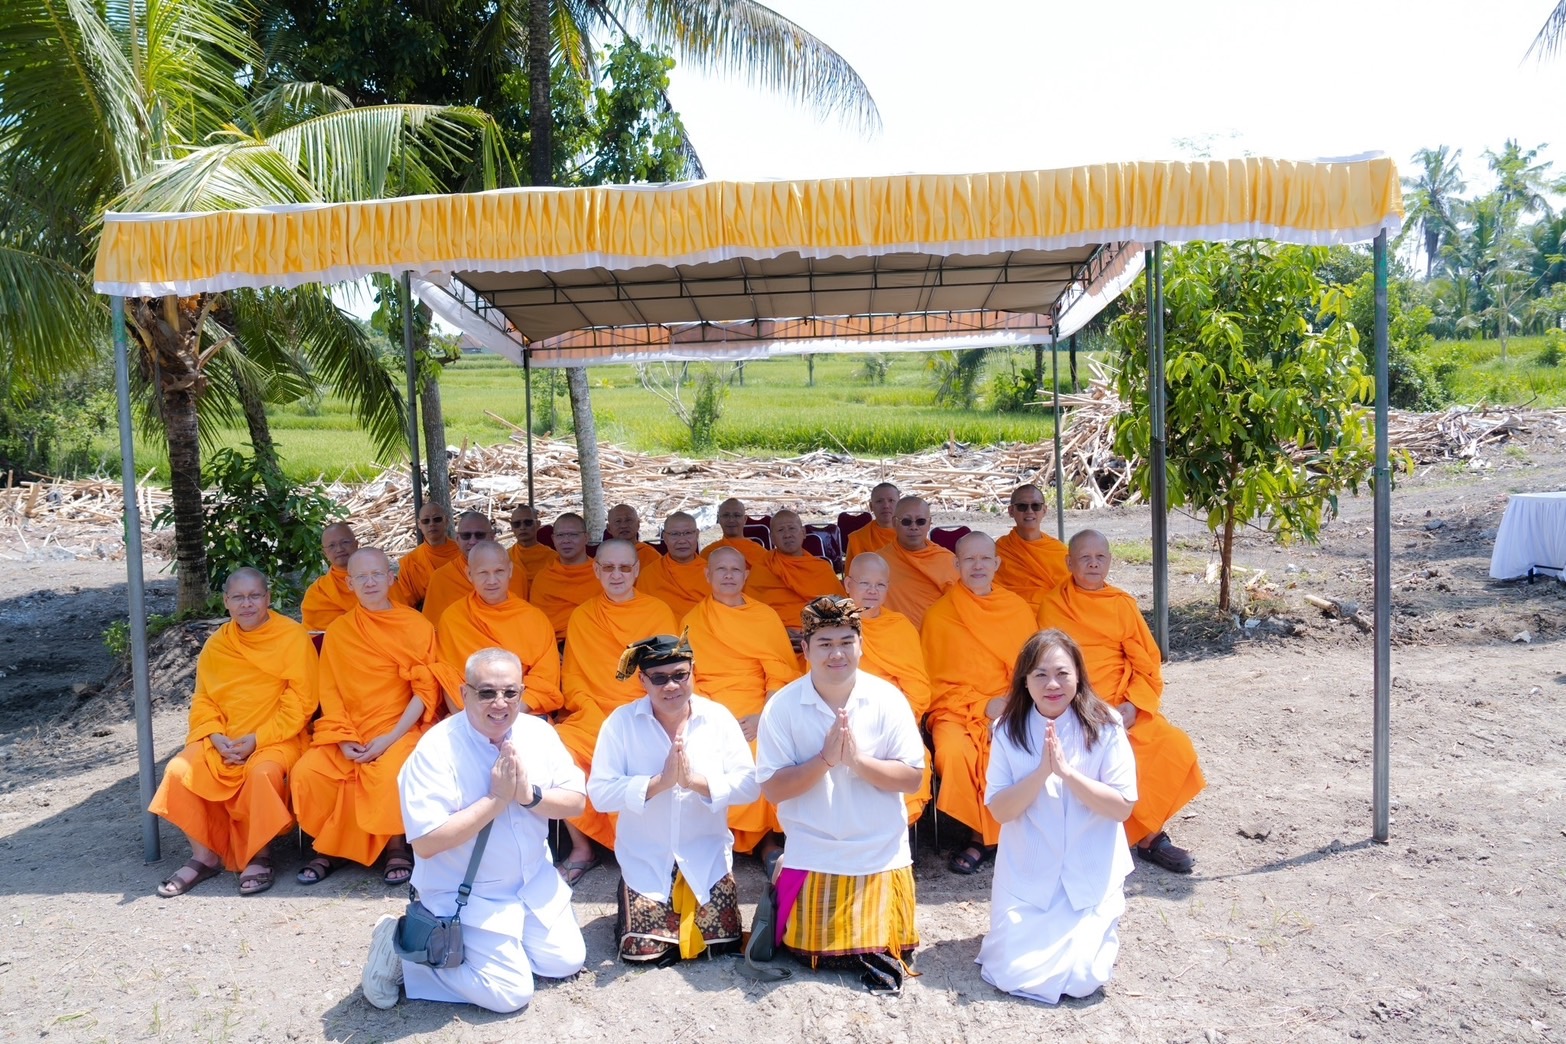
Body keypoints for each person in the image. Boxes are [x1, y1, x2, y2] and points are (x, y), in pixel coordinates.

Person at [362, 648, 587, 1012]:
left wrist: (527, 796)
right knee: (511, 994)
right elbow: (426, 841)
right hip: (466, 896)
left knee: (564, 963)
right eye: (487, 692)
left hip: (533, 884)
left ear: (521, 692)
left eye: (510, 692)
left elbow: (576, 801)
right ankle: (403, 955)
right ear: (465, 694)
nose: (500, 703)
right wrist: (495, 801)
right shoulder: (435, 750)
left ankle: (494, 953)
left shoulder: (539, 734)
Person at [756, 596, 924, 992]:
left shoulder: (888, 699)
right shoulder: (782, 707)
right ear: (806, 650)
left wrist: (858, 762)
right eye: (825, 644)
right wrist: (825, 761)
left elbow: (912, 778)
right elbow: (774, 788)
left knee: (881, 947)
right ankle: (785, 867)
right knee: (806, 947)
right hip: (814, 846)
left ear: (861, 644)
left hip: (879, 849)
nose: (837, 654)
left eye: (846, 642)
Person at [976, 629, 1137, 1004]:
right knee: (1010, 970)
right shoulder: (1007, 729)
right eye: (1040, 675)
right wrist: (1041, 774)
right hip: (1028, 872)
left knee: (1082, 977)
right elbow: (1000, 809)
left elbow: (1122, 807)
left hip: (1089, 871)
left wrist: (1068, 774)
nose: (1052, 684)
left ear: (1078, 675)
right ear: (1025, 681)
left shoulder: (1107, 724)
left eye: (1063, 674)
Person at [436, 540, 613, 870]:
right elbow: (448, 677)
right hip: (470, 716)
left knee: (557, 753)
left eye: (499, 571)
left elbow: (546, 680)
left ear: (511, 572)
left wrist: (507, 714)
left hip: (524, 713)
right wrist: (476, 718)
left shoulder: (533, 619)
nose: (492, 580)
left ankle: (580, 848)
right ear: (468, 574)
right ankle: (464, 849)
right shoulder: (453, 618)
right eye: (483, 573)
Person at [291, 548, 462, 887]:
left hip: (403, 726)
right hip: (349, 728)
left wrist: (389, 738)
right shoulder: (339, 631)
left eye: (376, 575)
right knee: (308, 773)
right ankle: (329, 847)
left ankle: (395, 846)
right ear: (350, 584)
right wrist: (342, 739)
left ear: (390, 579)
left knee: (392, 772)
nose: (370, 583)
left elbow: (425, 690)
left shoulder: (415, 624)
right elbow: (331, 691)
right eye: (361, 577)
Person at [1037, 530, 1204, 873]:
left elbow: (1147, 662)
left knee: (1172, 746)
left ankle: (1146, 834)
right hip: (1073, 704)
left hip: (1121, 703)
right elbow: (1047, 665)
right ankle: (1143, 838)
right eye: (1085, 558)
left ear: (1110, 561)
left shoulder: (1122, 604)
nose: (1094, 564)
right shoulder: (1052, 604)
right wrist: (1079, 706)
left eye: (1101, 557)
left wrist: (1133, 705)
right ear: (1069, 563)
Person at [588, 634, 760, 963]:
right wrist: (658, 783)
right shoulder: (620, 724)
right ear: (642, 680)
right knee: (645, 952)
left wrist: (695, 782)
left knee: (720, 945)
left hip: (705, 858)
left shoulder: (718, 718)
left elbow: (749, 786)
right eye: (659, 678)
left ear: (693, 671)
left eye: (680, 675)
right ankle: (634, 909)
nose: (671, 686)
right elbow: (599, 794)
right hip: (646, 859)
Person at [150, 568, 317, 897]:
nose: (247, 604)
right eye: (238, 597)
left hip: (278, 737)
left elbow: (302, 701)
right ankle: (205, 856)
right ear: (226, 602)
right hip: (223, 739)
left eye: (255, 596)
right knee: (178, 770)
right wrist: (213, 736)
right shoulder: (217, 644)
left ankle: (259, 854)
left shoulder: (291, 636)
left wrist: (258, 738)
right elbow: (204, 699)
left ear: (268, 598)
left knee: (262, 772)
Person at [558, 540, 679, 882]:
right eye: (608, 567)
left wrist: (641, 708)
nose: (616, 574)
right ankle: (582, 847)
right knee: (558, 749)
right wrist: (591, 709)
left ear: (637, 570)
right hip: (594, 712)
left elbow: (666, 672)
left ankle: (657, 845)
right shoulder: (582, 616)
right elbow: (575, 678)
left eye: (625, 567)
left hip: (646, 709)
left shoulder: (657, 612)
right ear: (595, 570)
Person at [922, 532, 1038, 875]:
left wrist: (1010, 705)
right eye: (969, 560)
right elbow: (933, 682)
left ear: (997, 563)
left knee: (1019, 748)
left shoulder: (1017, 609)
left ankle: (1004, 837)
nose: (977, 566)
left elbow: (1033, 670)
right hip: (955, 711)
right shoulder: (939, 615)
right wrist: (980, 705)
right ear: (955, 565)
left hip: (1012, 706)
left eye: (985, 558)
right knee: (955, 754)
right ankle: (981, 837)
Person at [680, 545, 796, 863]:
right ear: (707, 575)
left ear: (746, 574)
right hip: (711, 708)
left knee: (766, 751)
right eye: (721, 569)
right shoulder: (692, 620)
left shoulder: (764, 616)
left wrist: (764, 717)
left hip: (758, 707)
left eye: (735, 570)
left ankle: (768, 840)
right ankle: (714, 836)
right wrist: (710, 716)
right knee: (700, 752)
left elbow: (781, 675)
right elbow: (687, 679)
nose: (728, 575)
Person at [843, 551, 933, 824]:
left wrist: (894, 721)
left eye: (880, 585)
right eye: (864, 584)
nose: (872, 591)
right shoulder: (834, 628)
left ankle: (892, 838)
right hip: (844, 723)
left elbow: (918, 688)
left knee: (918, 759)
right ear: (848, 585)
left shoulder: (900, 627)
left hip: (893, 722)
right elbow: (818, 684)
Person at [745, 509, 844, 632]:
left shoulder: (821, 568)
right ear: (772, 538)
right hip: (772, 634)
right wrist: (779, 631)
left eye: (792, 528)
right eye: (780, 530)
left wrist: (812, 632)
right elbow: (750, 610)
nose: (787, 535)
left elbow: (840, 609)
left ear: (803, 533)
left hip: (818, 636)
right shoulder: (763, 567)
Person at [422, 511, 528, 625]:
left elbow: (523, 619)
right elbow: (433, 628)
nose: (472, 541)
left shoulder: (516, 574)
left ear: (492, 537)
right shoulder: (441, 578)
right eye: (466, 536)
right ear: (457, 539)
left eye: (479, 535)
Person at [880, 496, 957, 629]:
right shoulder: (879, 561)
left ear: (929, 523)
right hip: (893, 638)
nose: (914, 527)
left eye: (920, 521)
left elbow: (961, 605)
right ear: (894, 522)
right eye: (906, 521)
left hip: (936, 636)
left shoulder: (947, 560)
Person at [994, 484, 1070, 609]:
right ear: (1011, 511)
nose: (1029, 511)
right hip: (1013, 613)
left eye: (1036, 506)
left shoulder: (1059, 551)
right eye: (1022, 506)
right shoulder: (999, 550)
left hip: (1052, 613)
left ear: (1044, 510)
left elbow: (1071, 590)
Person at [529, 513, 597, 642]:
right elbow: (536, 624)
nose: (566, 540)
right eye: (560, 535)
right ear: (553, 539)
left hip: (593, 643)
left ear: (586, 537)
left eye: (573, 535)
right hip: (553, 646)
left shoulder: (601, 574)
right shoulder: (544, 578)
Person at [635, 511, 711, 617]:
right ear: (665, 538)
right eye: (675, 534)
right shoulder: (650, 574)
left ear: (697, 535)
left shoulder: (712, 573)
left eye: (688, 533)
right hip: (663, 631)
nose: (682, 541)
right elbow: (641, 612)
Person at [392, 501, 462, 609]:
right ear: (419, 524)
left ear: (447, 521)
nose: (431, 524)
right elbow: (405, 604)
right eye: (426, 521)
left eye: (437, 519)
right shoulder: (410, 562)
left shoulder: (462, 553)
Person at [301, 522, 360, 631]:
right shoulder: (318, 592)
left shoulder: (380, 579)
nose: (339, 549)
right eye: (332, 545)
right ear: (325, 553)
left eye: (345, 542)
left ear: (356, 544)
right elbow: (316, 636)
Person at [844, 482, 900, 570]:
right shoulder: (858, 538)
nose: (886, 506)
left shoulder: (912, 534)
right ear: (871, 506)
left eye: (891, 501)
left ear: (900, 505)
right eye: (879, 501)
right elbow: (851, 577)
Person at [700, 497, 767, 568]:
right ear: (719, 519)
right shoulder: (708, 553)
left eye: (737, 515)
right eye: (726, 515)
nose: (731, 520)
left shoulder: (761, 554)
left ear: (745, 519)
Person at [507, 504, 559, 583]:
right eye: (517, 524)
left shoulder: (553, 558)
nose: (522, 527)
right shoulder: (505, 557)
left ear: (538, 524)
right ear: (512, 527)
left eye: (528, 522)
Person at [607, 502, 662, 567]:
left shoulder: (651, 556)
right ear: (609, 528)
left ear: (638, 525)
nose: (624, 525)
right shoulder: (603, 556)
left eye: (628, 520)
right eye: (618, 521)